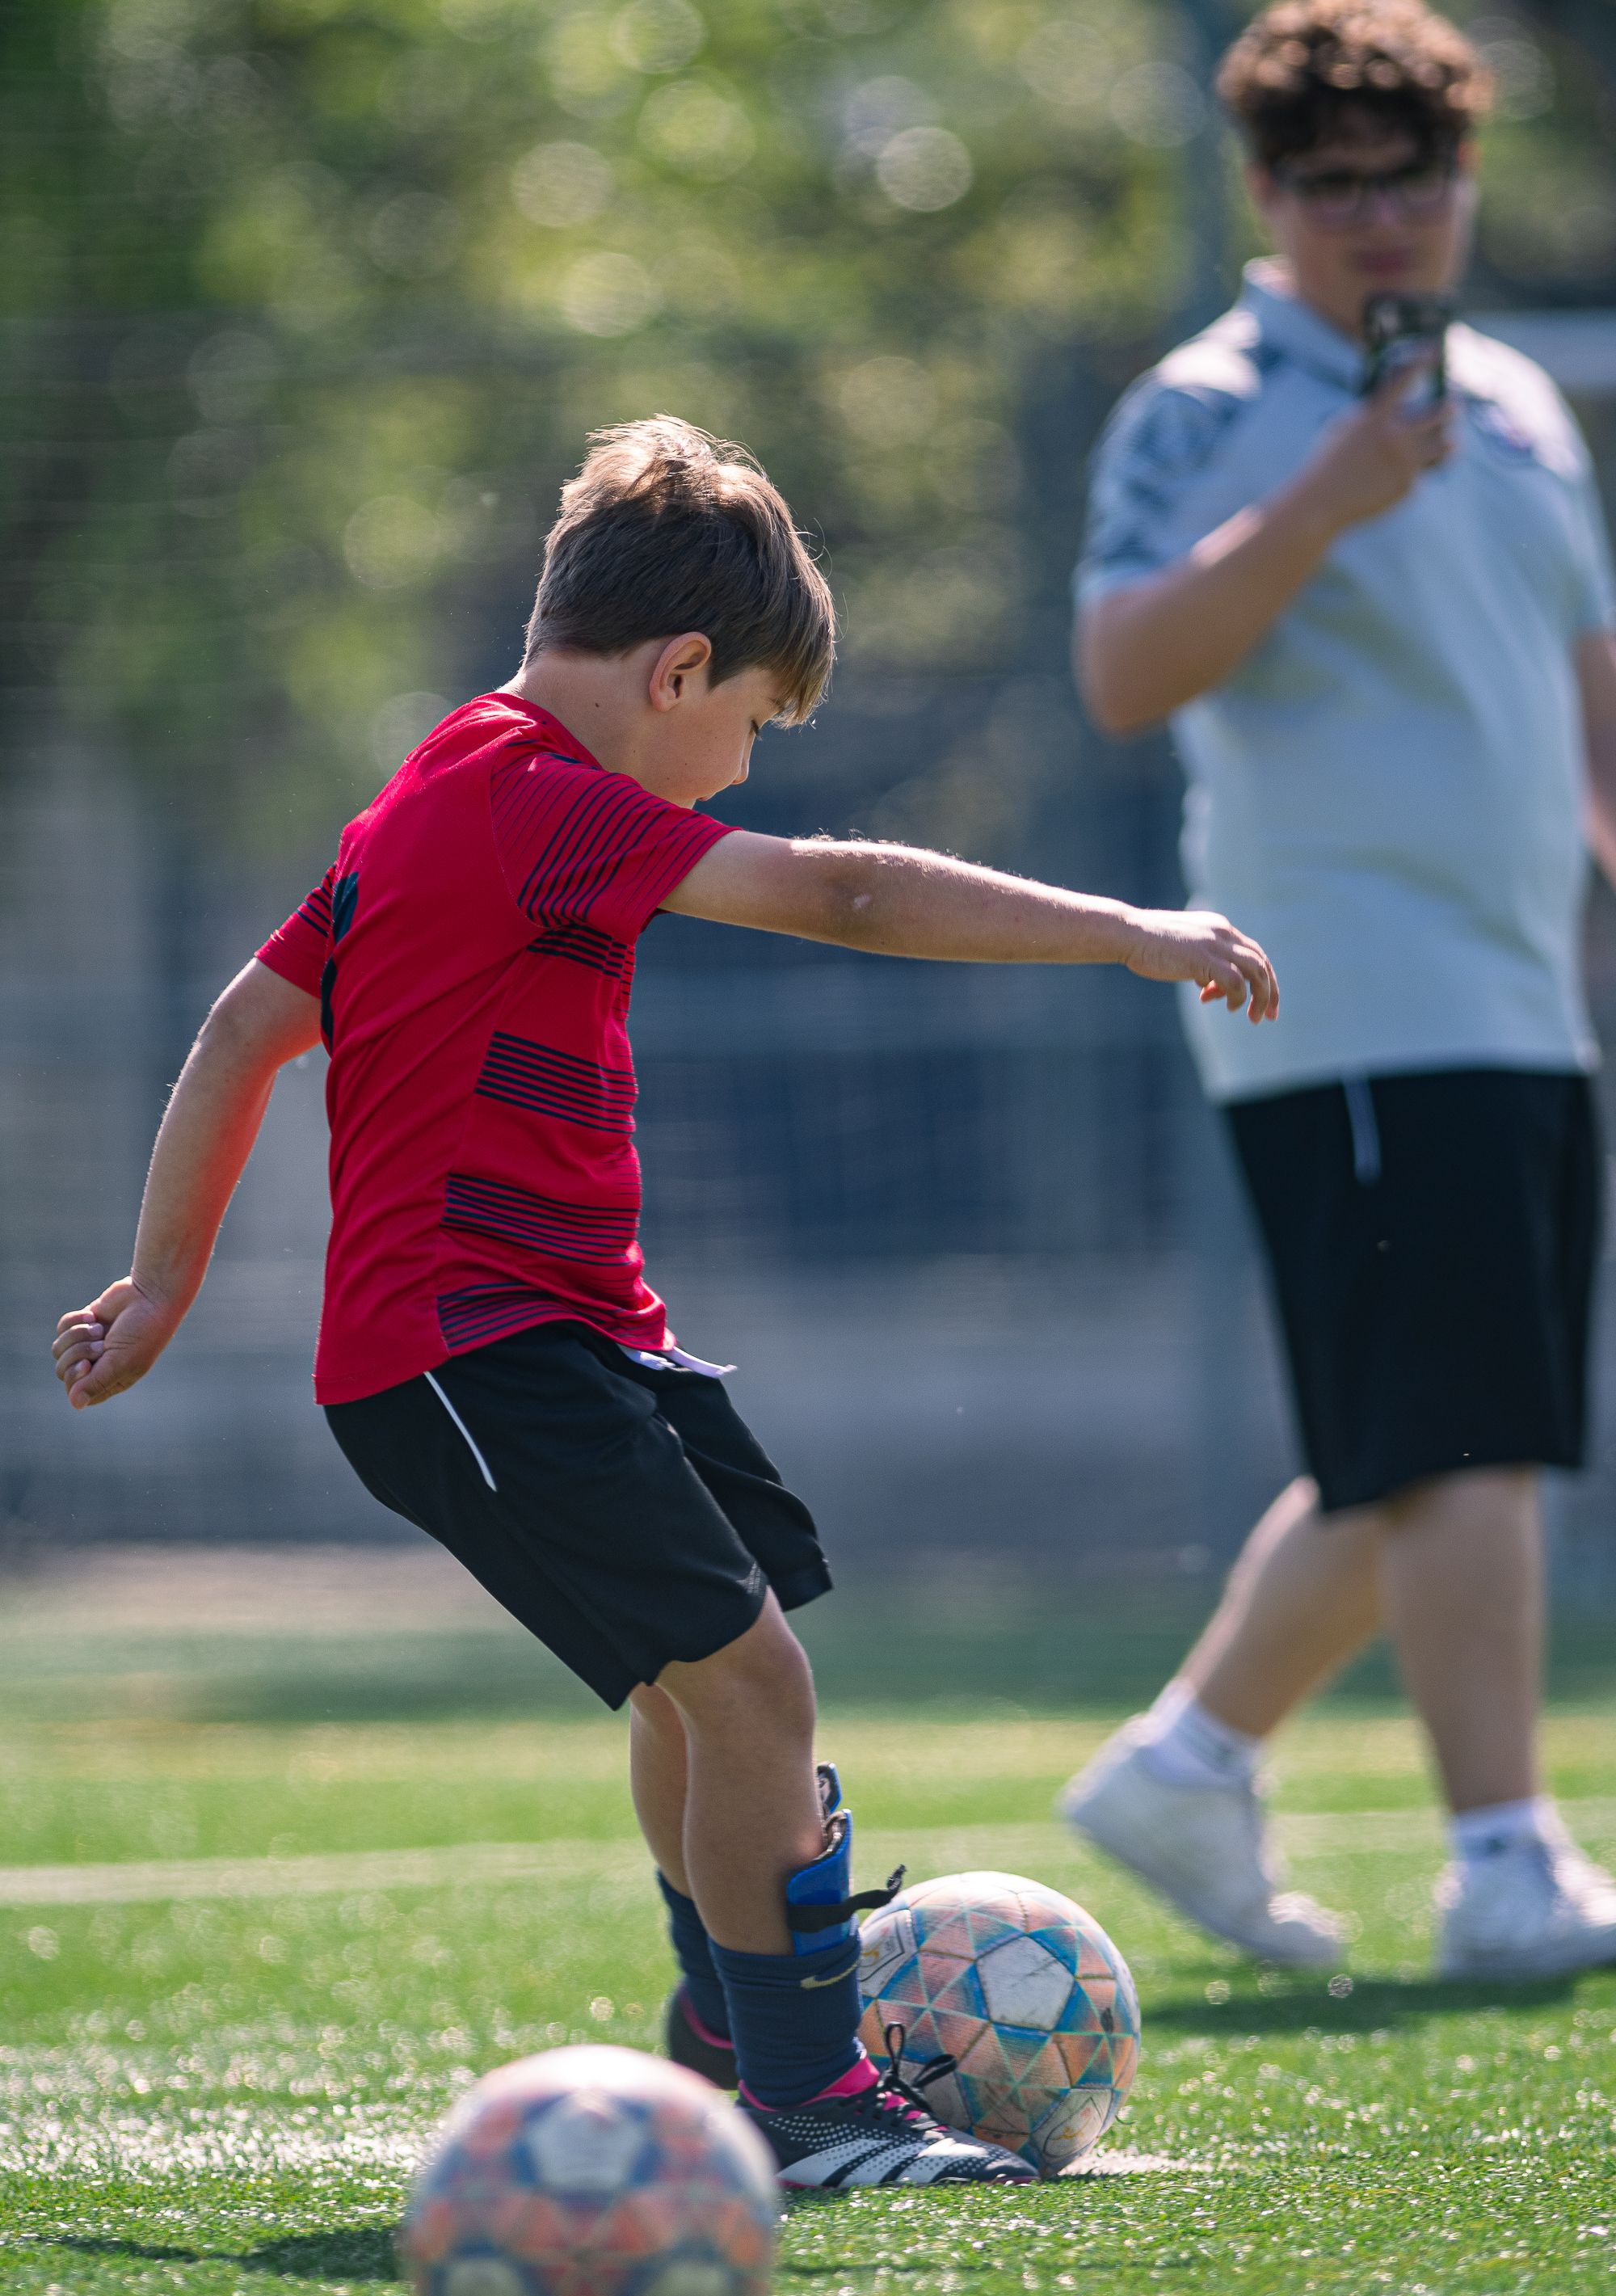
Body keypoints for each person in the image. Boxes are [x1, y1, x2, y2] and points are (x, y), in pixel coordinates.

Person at [52, 416, 1277, 2183]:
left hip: (570, 1326)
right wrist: (1134, 928)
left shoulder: (430, 787)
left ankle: (730, 2038)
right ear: (679, 666)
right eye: (751, 729)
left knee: (706, 1690)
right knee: (752, 1686)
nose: (732, 778)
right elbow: (842, 889)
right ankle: (808, 2098)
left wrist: (170, 1284)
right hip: (469, 1342)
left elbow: (251, 1020)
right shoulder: (531, 792)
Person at [1062, 0, 1616, 1982]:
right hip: (1342, 993)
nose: (1376, 221)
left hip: (1515, 998)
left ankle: (1189, 1761)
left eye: (1410, 181)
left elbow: (1585, 713)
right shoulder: (1203, 407)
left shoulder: (1529, 411)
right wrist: (1323, 499)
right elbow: (1125, 674)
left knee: (1436, 1427)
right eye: (1330, 185)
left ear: (1461, 186)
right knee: (1461, 1437)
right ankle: (1499, 1861)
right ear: (1268, 194)